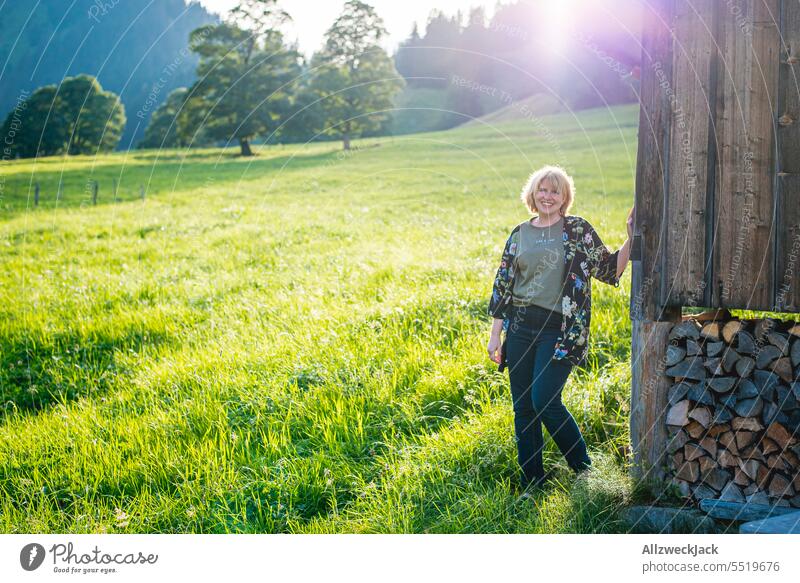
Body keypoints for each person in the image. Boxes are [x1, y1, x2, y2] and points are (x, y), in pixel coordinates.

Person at [486, 165, 634, 493]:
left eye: (555, 191)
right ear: (532, 194)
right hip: (521, 327)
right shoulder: (519, 233)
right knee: (524, 406)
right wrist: (496, 335)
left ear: (565, 197)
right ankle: (532, 482)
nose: (547, 196)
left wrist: (631, 239)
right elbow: (502, 286)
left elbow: (608, 269)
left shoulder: (577, 230)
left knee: (545, 400)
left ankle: (584, 470)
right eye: (542, 189)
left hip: (561, 329)